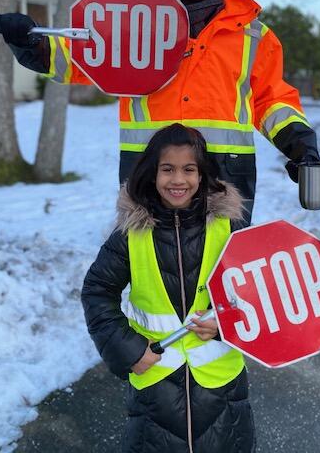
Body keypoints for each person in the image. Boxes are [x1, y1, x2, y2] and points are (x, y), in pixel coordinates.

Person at [0, 0, 320, 225]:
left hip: (225, 179)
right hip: (149, 173)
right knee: (153, 277)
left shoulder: (254, 34)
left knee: (220, 279)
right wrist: (30, 41)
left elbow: (271, 101)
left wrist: (300, 146)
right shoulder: (131, 19)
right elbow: (79, 57)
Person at [81, 123, 255, 452]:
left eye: (189, 169)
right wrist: (128, 350)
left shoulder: (230, 228)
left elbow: (256, 293)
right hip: (155, 389)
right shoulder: (130, 235)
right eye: (167, 169)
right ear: (151, 173)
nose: (178, 180)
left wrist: (225, 323)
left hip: (222, 391)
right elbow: (97, 292)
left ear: (203, 175)